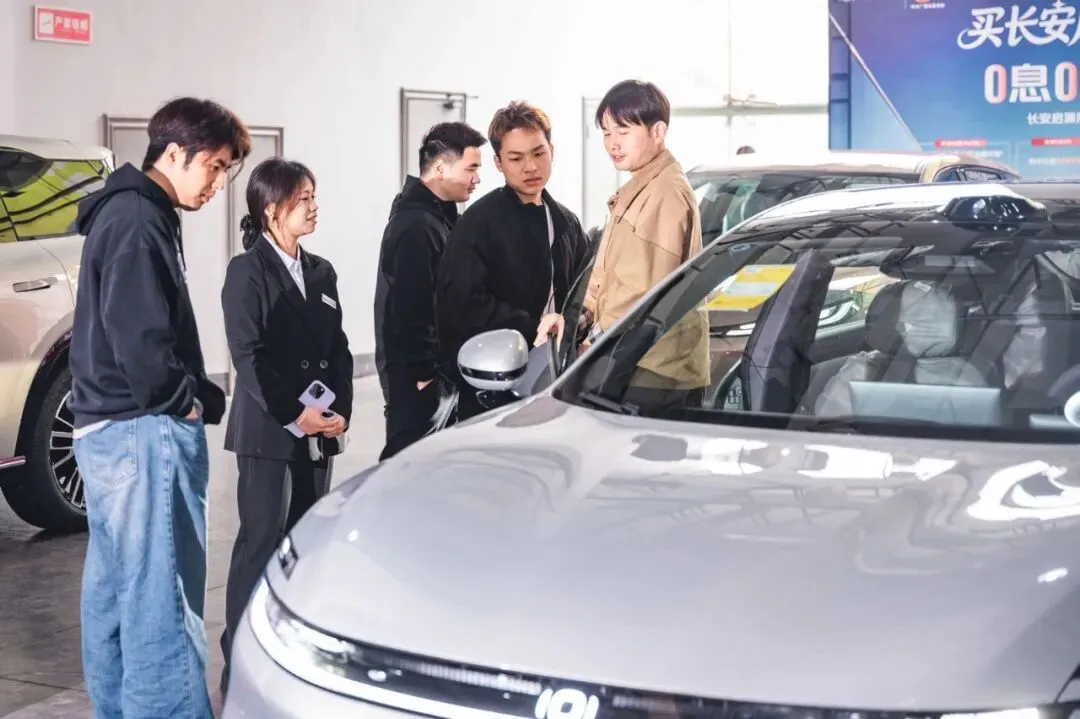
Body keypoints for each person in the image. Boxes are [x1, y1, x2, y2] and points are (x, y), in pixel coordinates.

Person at [68, 96, 250, 718]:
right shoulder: (138, 220)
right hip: (140, 431)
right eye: (214, 166)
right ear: (174, 153)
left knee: (118, 598)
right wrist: (184, 402)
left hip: (107, 430)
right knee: (162, 605)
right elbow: (139, 337)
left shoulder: (129, 212)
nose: (218, 183)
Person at [219, 158, 353, 692]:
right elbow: (247, 356)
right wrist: (296, 413)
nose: (314, 207)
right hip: (269, 432)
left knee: (305, 545)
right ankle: (239, 658)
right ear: (272, 210)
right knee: (260, 543)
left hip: (319, 431)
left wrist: (341, 410)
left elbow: (339, 349)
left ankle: (290, 655)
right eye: (303, 200)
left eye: (314, 197)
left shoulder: (321, 271)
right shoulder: (246, 272)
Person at [536, 79, 710, 404]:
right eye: (606, 132)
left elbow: (642, 293)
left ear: (658, 132)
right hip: (633, 360)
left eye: (623, 131)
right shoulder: (640, 189)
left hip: (655, 367)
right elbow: (608, 276)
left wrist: (594, 345)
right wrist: (576, 321)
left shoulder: (665, 192)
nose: (612, 144)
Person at [435, 101, 592, 420]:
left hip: (557, 375)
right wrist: (533, 327)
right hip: (492, 384)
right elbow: (463, 305)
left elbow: (584, 290)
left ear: (552, 151)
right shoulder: (478, 223)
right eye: (516, 158)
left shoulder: (566, 222)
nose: (530, 167)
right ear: (498, 162)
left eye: (538, 153)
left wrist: (580, 325)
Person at [374, 122, 486, 459]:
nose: (477, 178)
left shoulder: (440, 219)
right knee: (408, 467)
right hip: (420, 383)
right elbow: (409, 306)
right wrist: (424, 374)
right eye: (471, 168)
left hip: (438, 376)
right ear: (440, 168)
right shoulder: (416, 226)